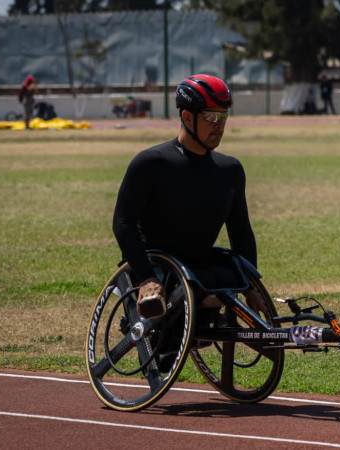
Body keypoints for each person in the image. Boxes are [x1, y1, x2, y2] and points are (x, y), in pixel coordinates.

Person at [112, 74, 263, 324]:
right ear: (187, 117)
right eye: (211, 116)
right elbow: (123, 222)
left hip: (199, 270)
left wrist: (251, 286)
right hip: (157, 268)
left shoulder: (231, 170)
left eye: (223, 116)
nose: (219, 125)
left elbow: (241, 232)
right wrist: (147, 277)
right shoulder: (151, 163)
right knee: (193, 292)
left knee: (221, 277)